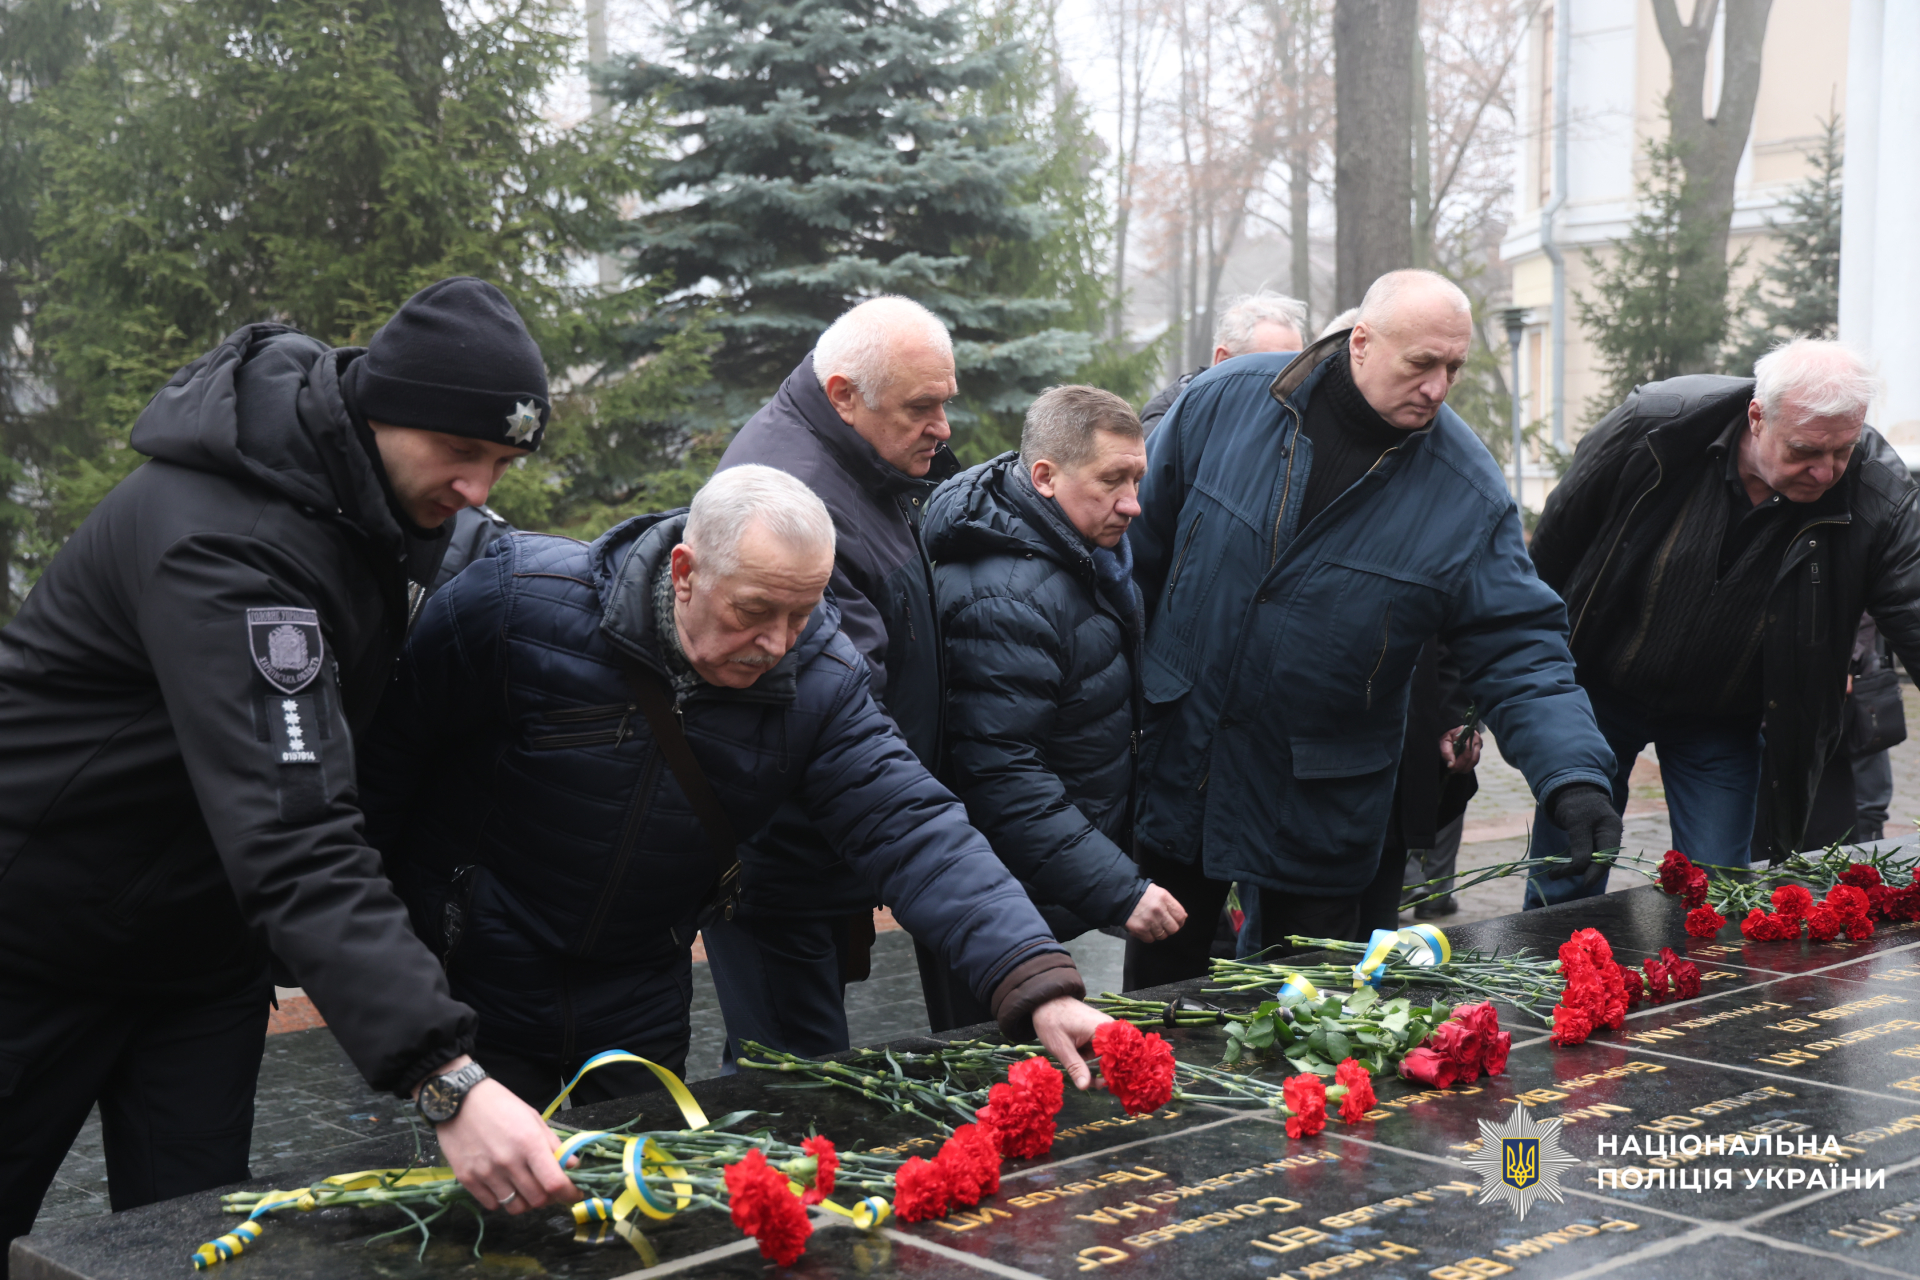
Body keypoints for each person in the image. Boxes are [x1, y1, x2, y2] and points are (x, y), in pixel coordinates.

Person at [0, 278, 581, 1257]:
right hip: (36, 936)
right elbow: (296, 823)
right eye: (460, 451)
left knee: (195, 1246)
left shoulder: (375, 503)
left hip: (200, 954)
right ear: (383, 410)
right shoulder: (229, 545)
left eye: (503, 462)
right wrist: (444, 1075)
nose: (479, 489)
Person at [359, 465, 1110, 1104]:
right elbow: (387, 769)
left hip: (640, 999)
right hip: (478, 981)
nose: (777, 644)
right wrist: (387, 966)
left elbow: (911, 825)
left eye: (802, 614)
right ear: (685, 572)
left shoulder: (821, 680)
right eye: (754, 612)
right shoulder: (520, 604)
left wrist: (1034, 979)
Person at [1124, 268, 1617, 987]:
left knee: (1307, 1014)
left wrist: (1572, 774)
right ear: (1360, 342)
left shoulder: (1465, 490)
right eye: (1421, 363)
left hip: (1319, 799)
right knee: (1157, 1006)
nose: (1438, 387)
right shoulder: (1226, 402)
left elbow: (1518, 645)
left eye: (1454, 368)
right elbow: (1134, 560)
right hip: (1187, 763)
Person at [1527, 338, 1920, 904]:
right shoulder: (1654, 426)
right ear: (1757, 417)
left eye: (1842, 450)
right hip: (1598, 692)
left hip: (1721, 716)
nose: (1825, 471)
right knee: (1568, 874)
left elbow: (1913, 612)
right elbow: (1549, 556)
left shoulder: (1878, 491)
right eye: (1805, 450)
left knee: (1720, 894)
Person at [702, 297, 960, 1057]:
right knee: (793, 1078)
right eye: (921, 407)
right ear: (844, 394)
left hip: (820, 847)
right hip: (784, 858)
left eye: (945, 402)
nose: (943, 428)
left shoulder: (860, 460)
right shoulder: (797, 496)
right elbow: (839, 713)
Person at [918, 387, 1188, 1026]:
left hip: (1034, 883)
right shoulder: (1005, 597)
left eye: (1137, 479)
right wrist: (1117, 886)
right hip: (990, 900)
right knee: (991, 1067)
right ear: (1044, 477)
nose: (1133, 503)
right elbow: (1002, 774)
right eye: (1112, 480)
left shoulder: (1083, 554)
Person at [1139, 292, 1307, 433]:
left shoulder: (1296, 417)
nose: (1288, 383)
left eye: (1296, 368)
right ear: (1223, 361)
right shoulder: (1169, 423)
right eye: (1271, 370)